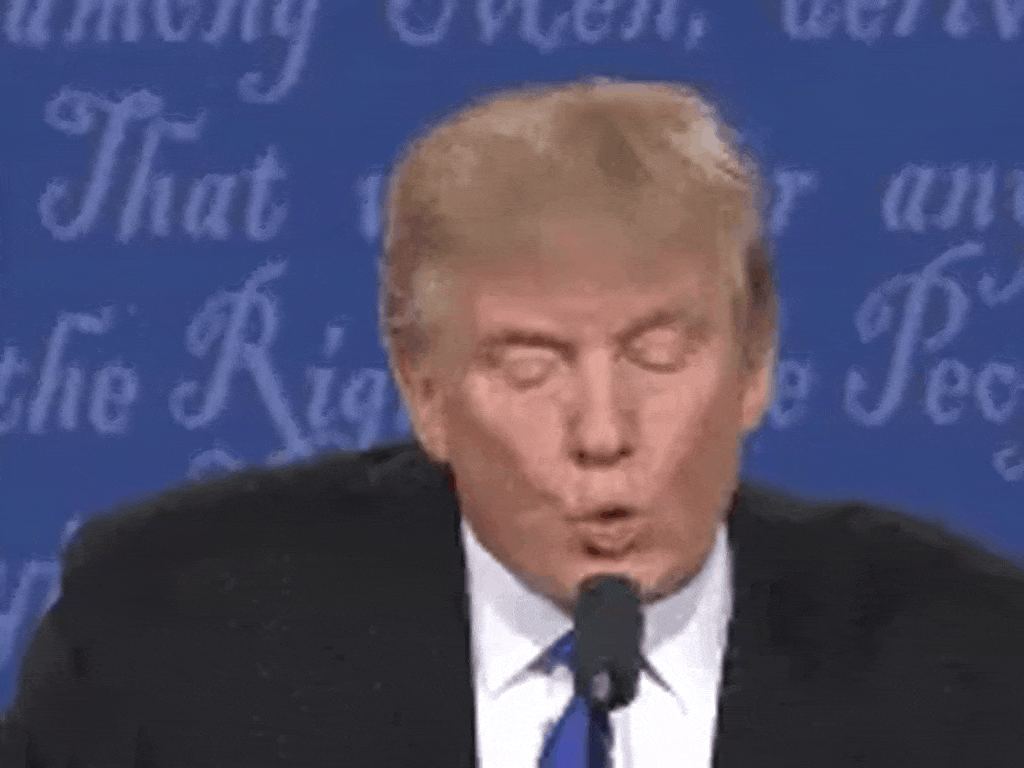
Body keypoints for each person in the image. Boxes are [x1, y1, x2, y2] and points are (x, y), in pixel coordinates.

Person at [2, 77, 1023, 768]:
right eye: (530, 367)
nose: (602, 434)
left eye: (656, 356)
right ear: (423, 386)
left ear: (754, 361)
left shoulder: (973, 667)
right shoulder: (170, 635)